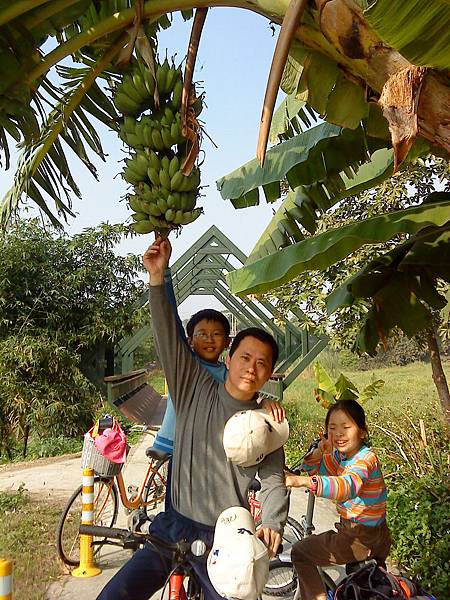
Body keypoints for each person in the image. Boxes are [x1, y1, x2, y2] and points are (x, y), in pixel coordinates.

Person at [97, 236, 289, 600]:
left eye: (262, 363)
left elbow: (274, 479)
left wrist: (273, 522)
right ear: (229, 359)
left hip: (227, 537)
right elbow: (168, 335)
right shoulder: (191, 387)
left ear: (269, 375)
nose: (252, 368)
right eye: (246, 358)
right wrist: (158, 279)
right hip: (173, 525)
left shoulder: (265, 425)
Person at [285, 399, 391, 600]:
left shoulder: (365, 459)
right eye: (332, 428)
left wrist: (301, 481)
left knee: (300, 552)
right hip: (369, 535)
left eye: (346, 427)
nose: (339, 433)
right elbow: (321, 471)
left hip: (360, 537)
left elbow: (346, 486)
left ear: (362, 431)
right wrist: (318, 454)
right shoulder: (342, 456)